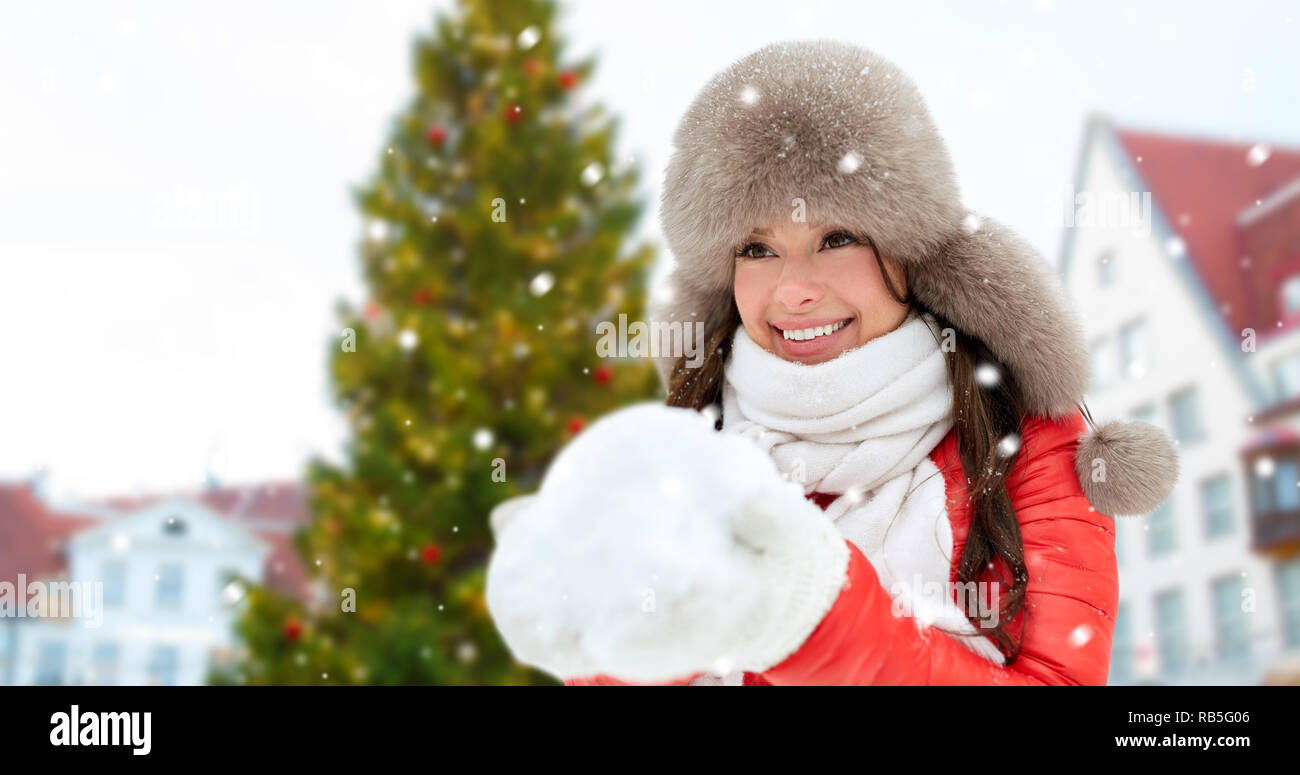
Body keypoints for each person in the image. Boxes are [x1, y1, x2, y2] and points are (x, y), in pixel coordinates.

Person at [489, 39, 1179, 686]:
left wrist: (815, 618)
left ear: (910, 254)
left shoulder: (1022, 446)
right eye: (756, 248)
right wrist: (584, 621)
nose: (793, 288)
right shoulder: (690, 450)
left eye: (836, 236)